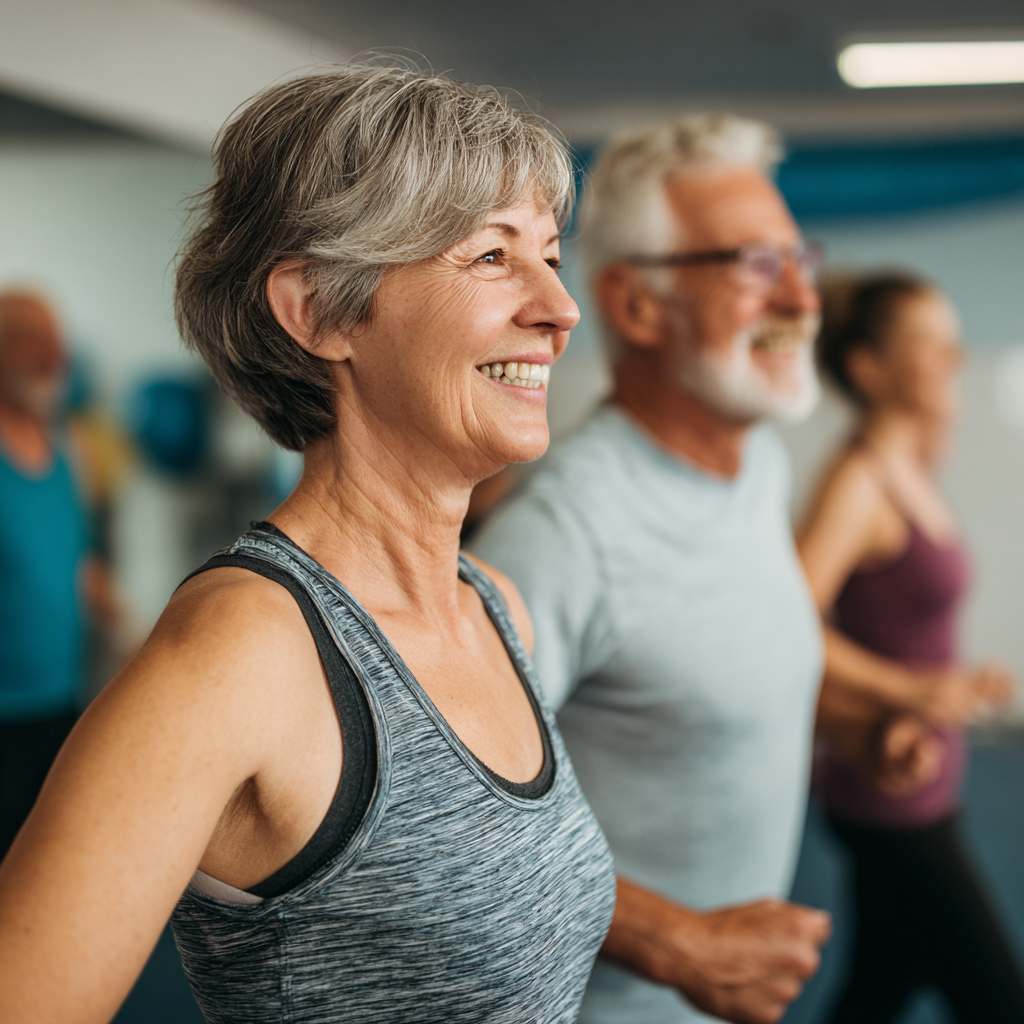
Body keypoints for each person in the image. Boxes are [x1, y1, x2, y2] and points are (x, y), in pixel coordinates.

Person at [0, 66, 616, 1024]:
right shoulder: (239, 657)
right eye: (492, 256)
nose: (559, 308)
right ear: (321, 310)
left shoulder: (493, 604)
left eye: (549, 254)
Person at [471, 115, 831, 1024]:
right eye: (755, 264)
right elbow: (446, 815)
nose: (799, 297)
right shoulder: (567, 529)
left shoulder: (756, 466)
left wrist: (857, 716)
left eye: (800, 259)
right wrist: (677, 943)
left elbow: (702, 643)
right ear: (634, 305)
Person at [798, 272, 1024, 1024]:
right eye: (929, 344)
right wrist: (907, 692)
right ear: (868, 368)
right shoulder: (860, 482)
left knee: (876, 991)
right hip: (890, 789)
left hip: (925, 772)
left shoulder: (911, 465)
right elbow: (788, 621)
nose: (951, 359)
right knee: (995, 999)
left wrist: (942, 686)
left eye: (952, 342)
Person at [0, 290, 91, 856]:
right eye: (32, 339)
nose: (53, 353)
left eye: (56, 339)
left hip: (61, 704)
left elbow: (77, 562)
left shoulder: (70, 451)